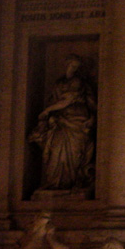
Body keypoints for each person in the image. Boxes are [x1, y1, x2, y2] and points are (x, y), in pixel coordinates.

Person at [29, 54, 97, 191]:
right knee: (56, 151)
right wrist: (51, 114)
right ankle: (55, 182)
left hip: (77, 120)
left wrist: (47, 110)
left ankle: (71, 182)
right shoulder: (59, 82)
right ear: (67, 65)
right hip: (61, 120)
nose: (74, 68)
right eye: (72, 65)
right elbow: (56, 100)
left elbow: (69, 101)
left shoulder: (79, 82)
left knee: (74, 153)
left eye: (76, 66)